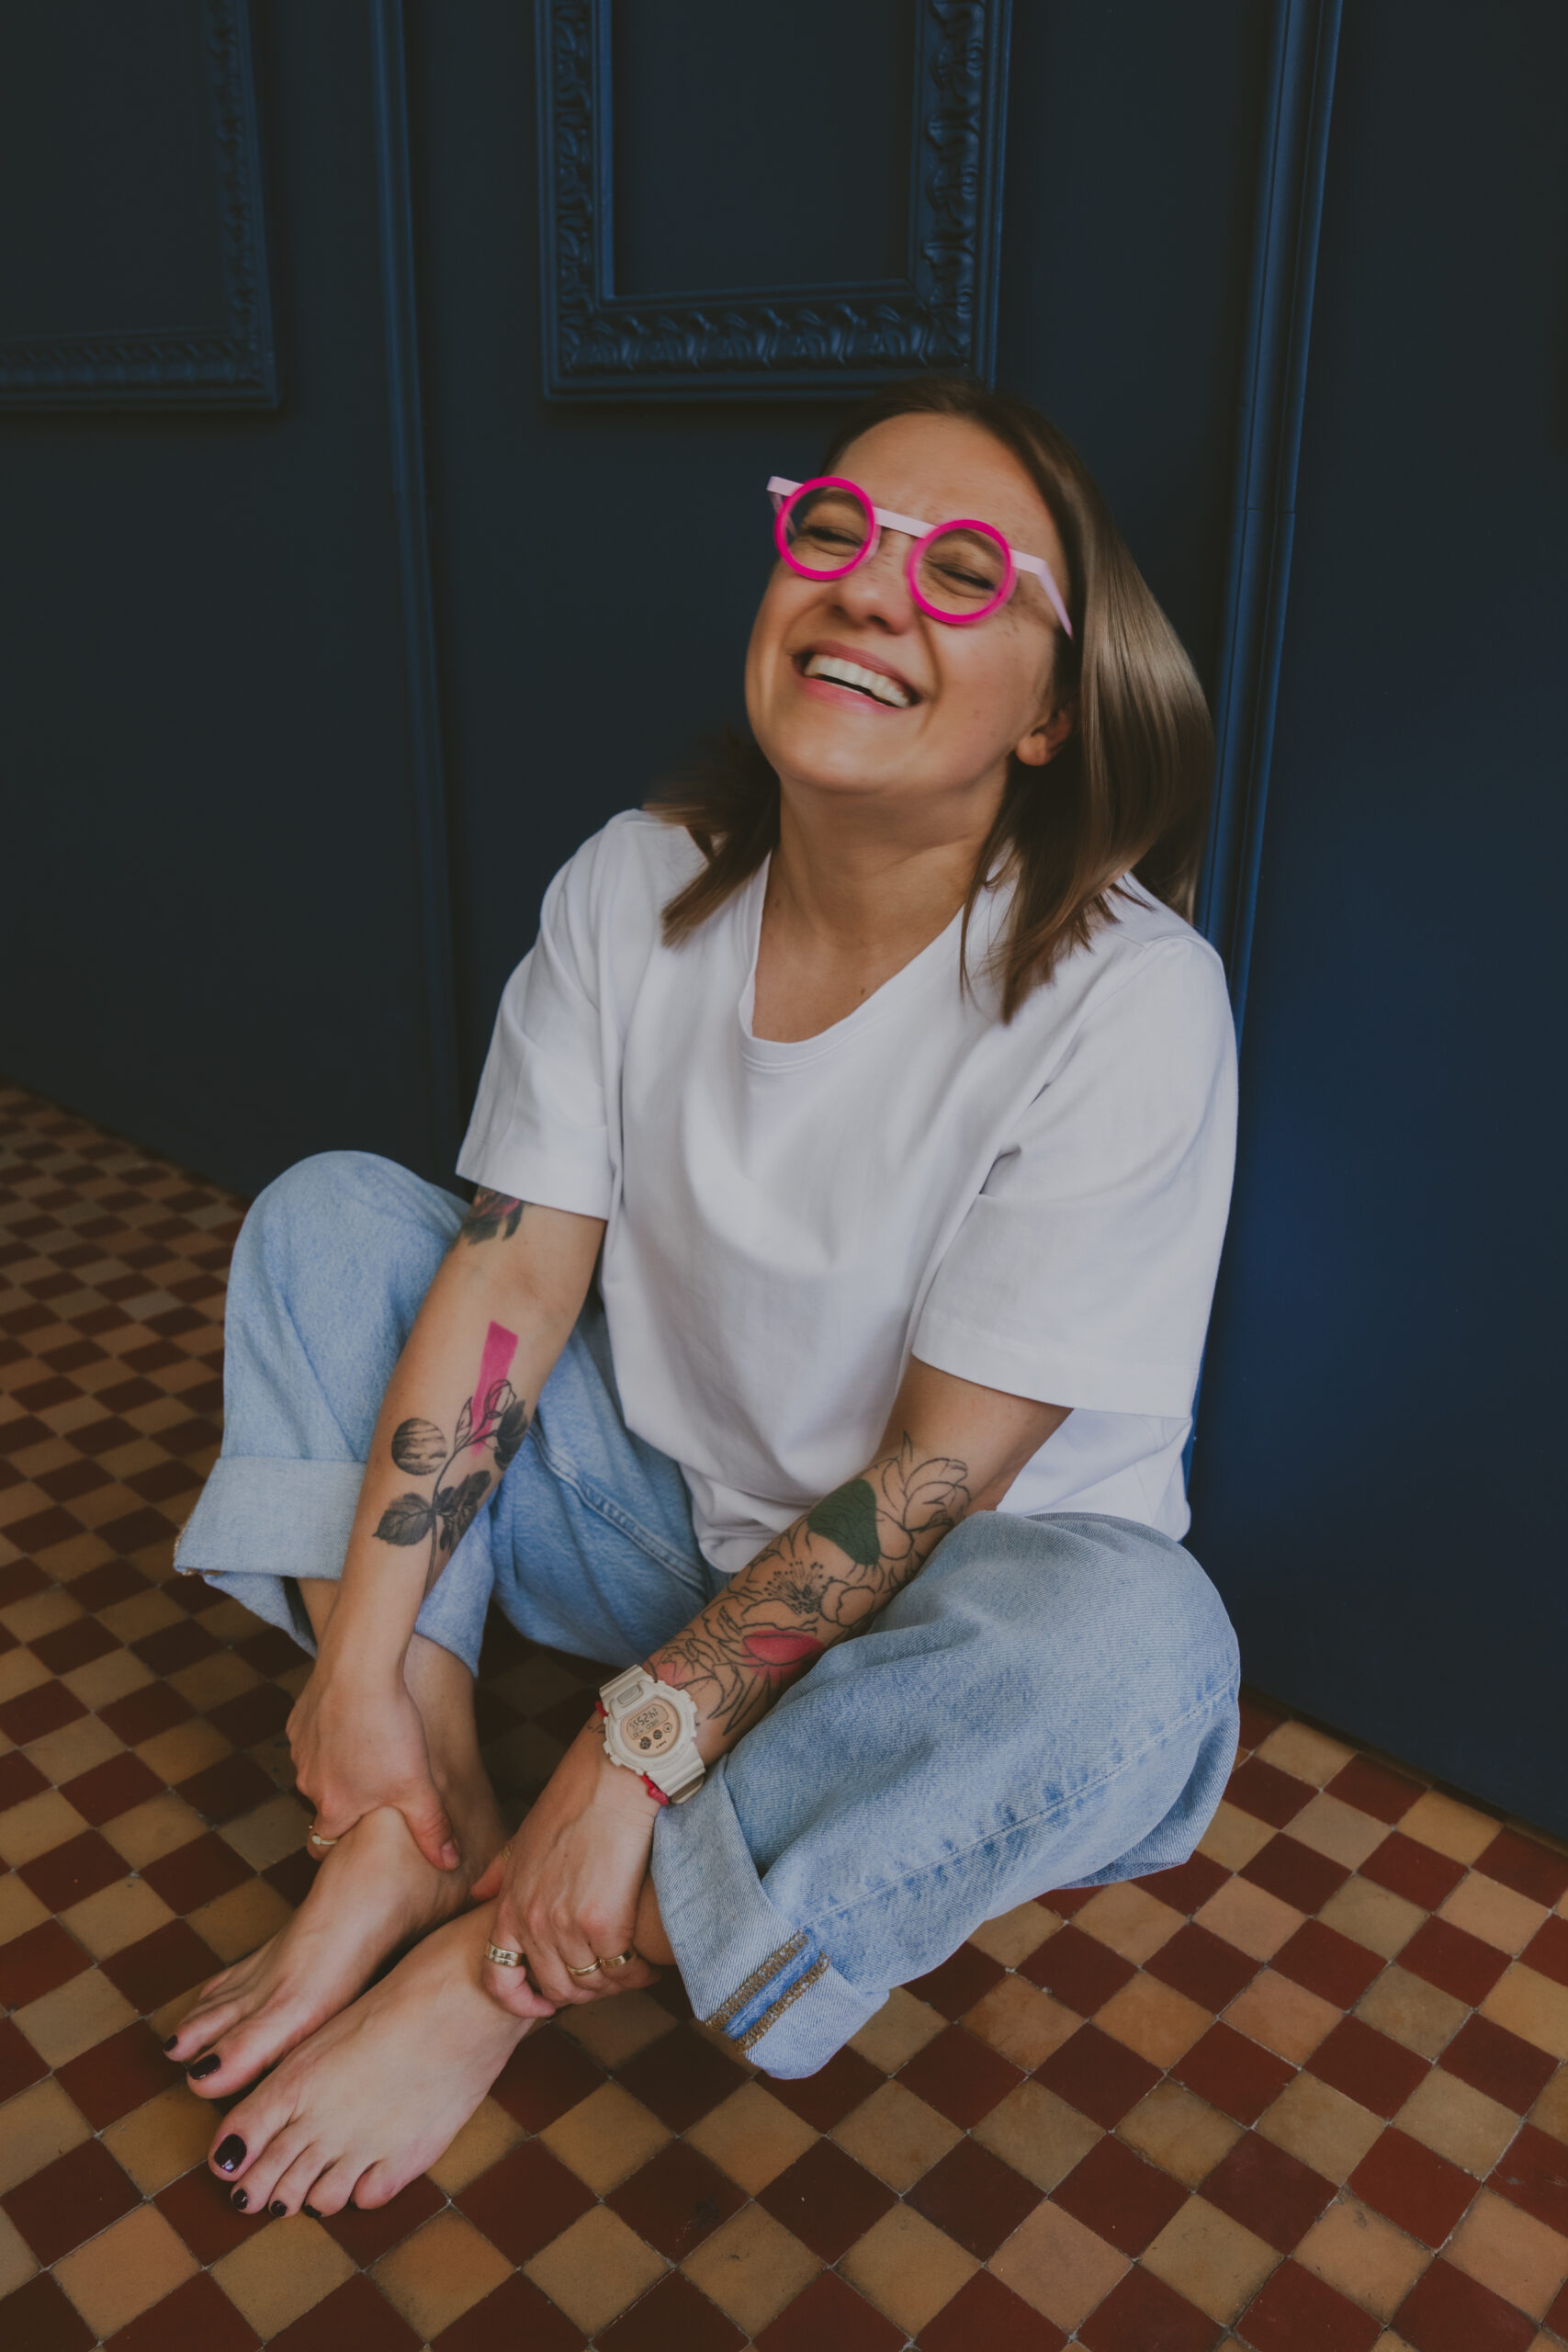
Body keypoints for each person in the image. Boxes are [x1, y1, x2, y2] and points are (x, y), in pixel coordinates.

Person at [165, 375, 1241, 2219]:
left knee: (1144, 1656)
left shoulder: (1127, 996)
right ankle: (411, 1816)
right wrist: (357, 1674)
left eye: (961, 570)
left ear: (1052, 711)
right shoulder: (635, 881)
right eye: (833, 529)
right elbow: (511, 1270)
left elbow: (931, 1482)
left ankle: (494, 1962)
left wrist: (632, 1750)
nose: (868, 585)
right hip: (655, 1525)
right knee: (331, 1220)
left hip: (929, 1620)